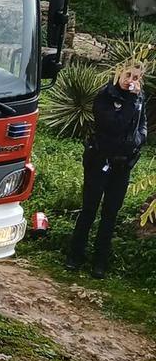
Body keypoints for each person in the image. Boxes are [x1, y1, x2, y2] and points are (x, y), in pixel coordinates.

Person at [67, 61, 148, 278]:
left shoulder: (139, 99)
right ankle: (75, 255)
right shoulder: (106, 96)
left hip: (122, 164)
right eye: (128, 75)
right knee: (89, 209)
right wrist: (131, 101)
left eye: (137, 78)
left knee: (110, 213)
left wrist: (137, 140)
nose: (132, 81)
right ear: (119, 74)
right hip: (99, 160)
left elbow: (142, 125)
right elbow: (115, 125)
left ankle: (99, 261)